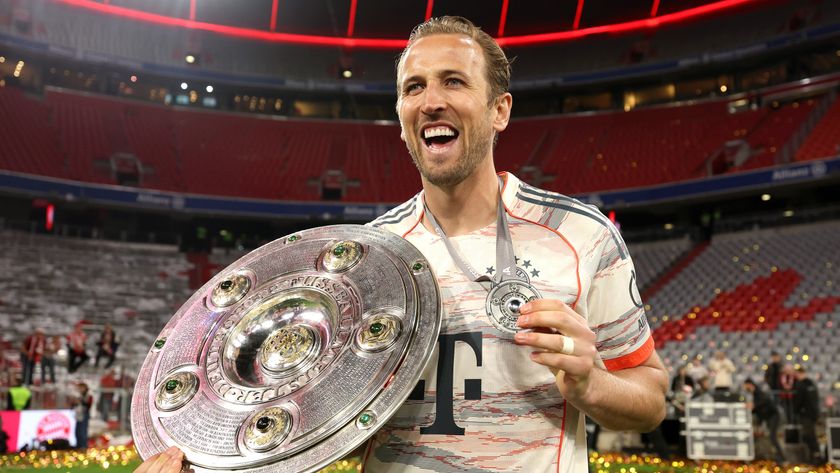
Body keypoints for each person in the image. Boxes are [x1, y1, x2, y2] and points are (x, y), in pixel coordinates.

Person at [135, 15, 668, 473]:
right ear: (400, 116)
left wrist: (592, 385)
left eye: (453, 81)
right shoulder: (366, 258)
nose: (431, 102)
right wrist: (201, 454)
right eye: (414, 88)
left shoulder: (580, 234)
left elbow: (650, 397)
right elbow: (308, 426)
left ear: (500, 110)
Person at [743, 378, 785, 463]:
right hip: (768, 417)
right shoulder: (755, 394)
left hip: (773, 416)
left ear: (750, 384)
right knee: (768, 437)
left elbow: (763, 402)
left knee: (773, 436)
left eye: (745, 386)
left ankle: (782, 458)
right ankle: (777, 456)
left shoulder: (759, 392)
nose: (745, 388)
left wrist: (753, 406)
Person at [793, 367, 820, 463]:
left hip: (806, 415)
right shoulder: (811, 383)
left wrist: (795, 410)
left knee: (809, 435)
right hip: (813, 413)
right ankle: (815, 455)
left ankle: (815, 456)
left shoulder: (801, 385)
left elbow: (798, 400)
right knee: (810, 435)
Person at [72, 382, 93, 451]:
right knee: (77, 431)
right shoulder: (78, 396)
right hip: (78, 414)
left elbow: (88, 405)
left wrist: (81, 401)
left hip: (84, 414)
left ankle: (83, 446)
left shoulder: (88, 396)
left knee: (83, 432)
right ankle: (78, 446)